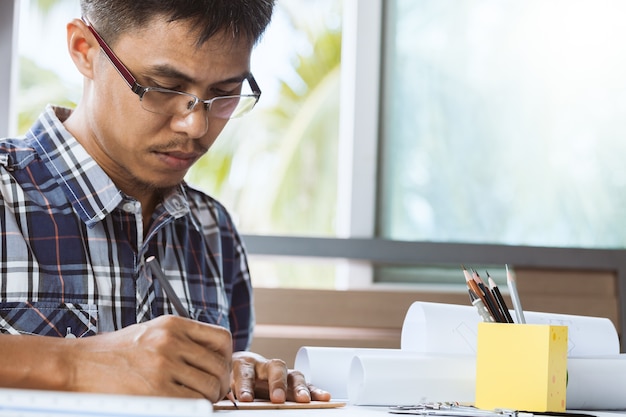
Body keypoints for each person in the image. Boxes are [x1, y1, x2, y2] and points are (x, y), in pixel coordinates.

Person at [0, 0, 331, 405]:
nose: (196, 125)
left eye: (224, 94)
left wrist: (231, 374)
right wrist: (75, 365)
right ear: (84, 48)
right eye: (163, 88)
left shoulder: (214, 230)